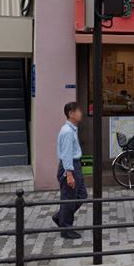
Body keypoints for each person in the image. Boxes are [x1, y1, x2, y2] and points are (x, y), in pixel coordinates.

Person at [52, 102, 87, 239]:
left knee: (81, 195)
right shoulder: (67, 131)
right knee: (69, 198)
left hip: (74, 165)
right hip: (70, 166)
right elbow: (66, 154)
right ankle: (66, 228)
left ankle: (60, 217)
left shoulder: (71, 129)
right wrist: (69, 174)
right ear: (71, 113)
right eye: (78, 111)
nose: (81, 113)